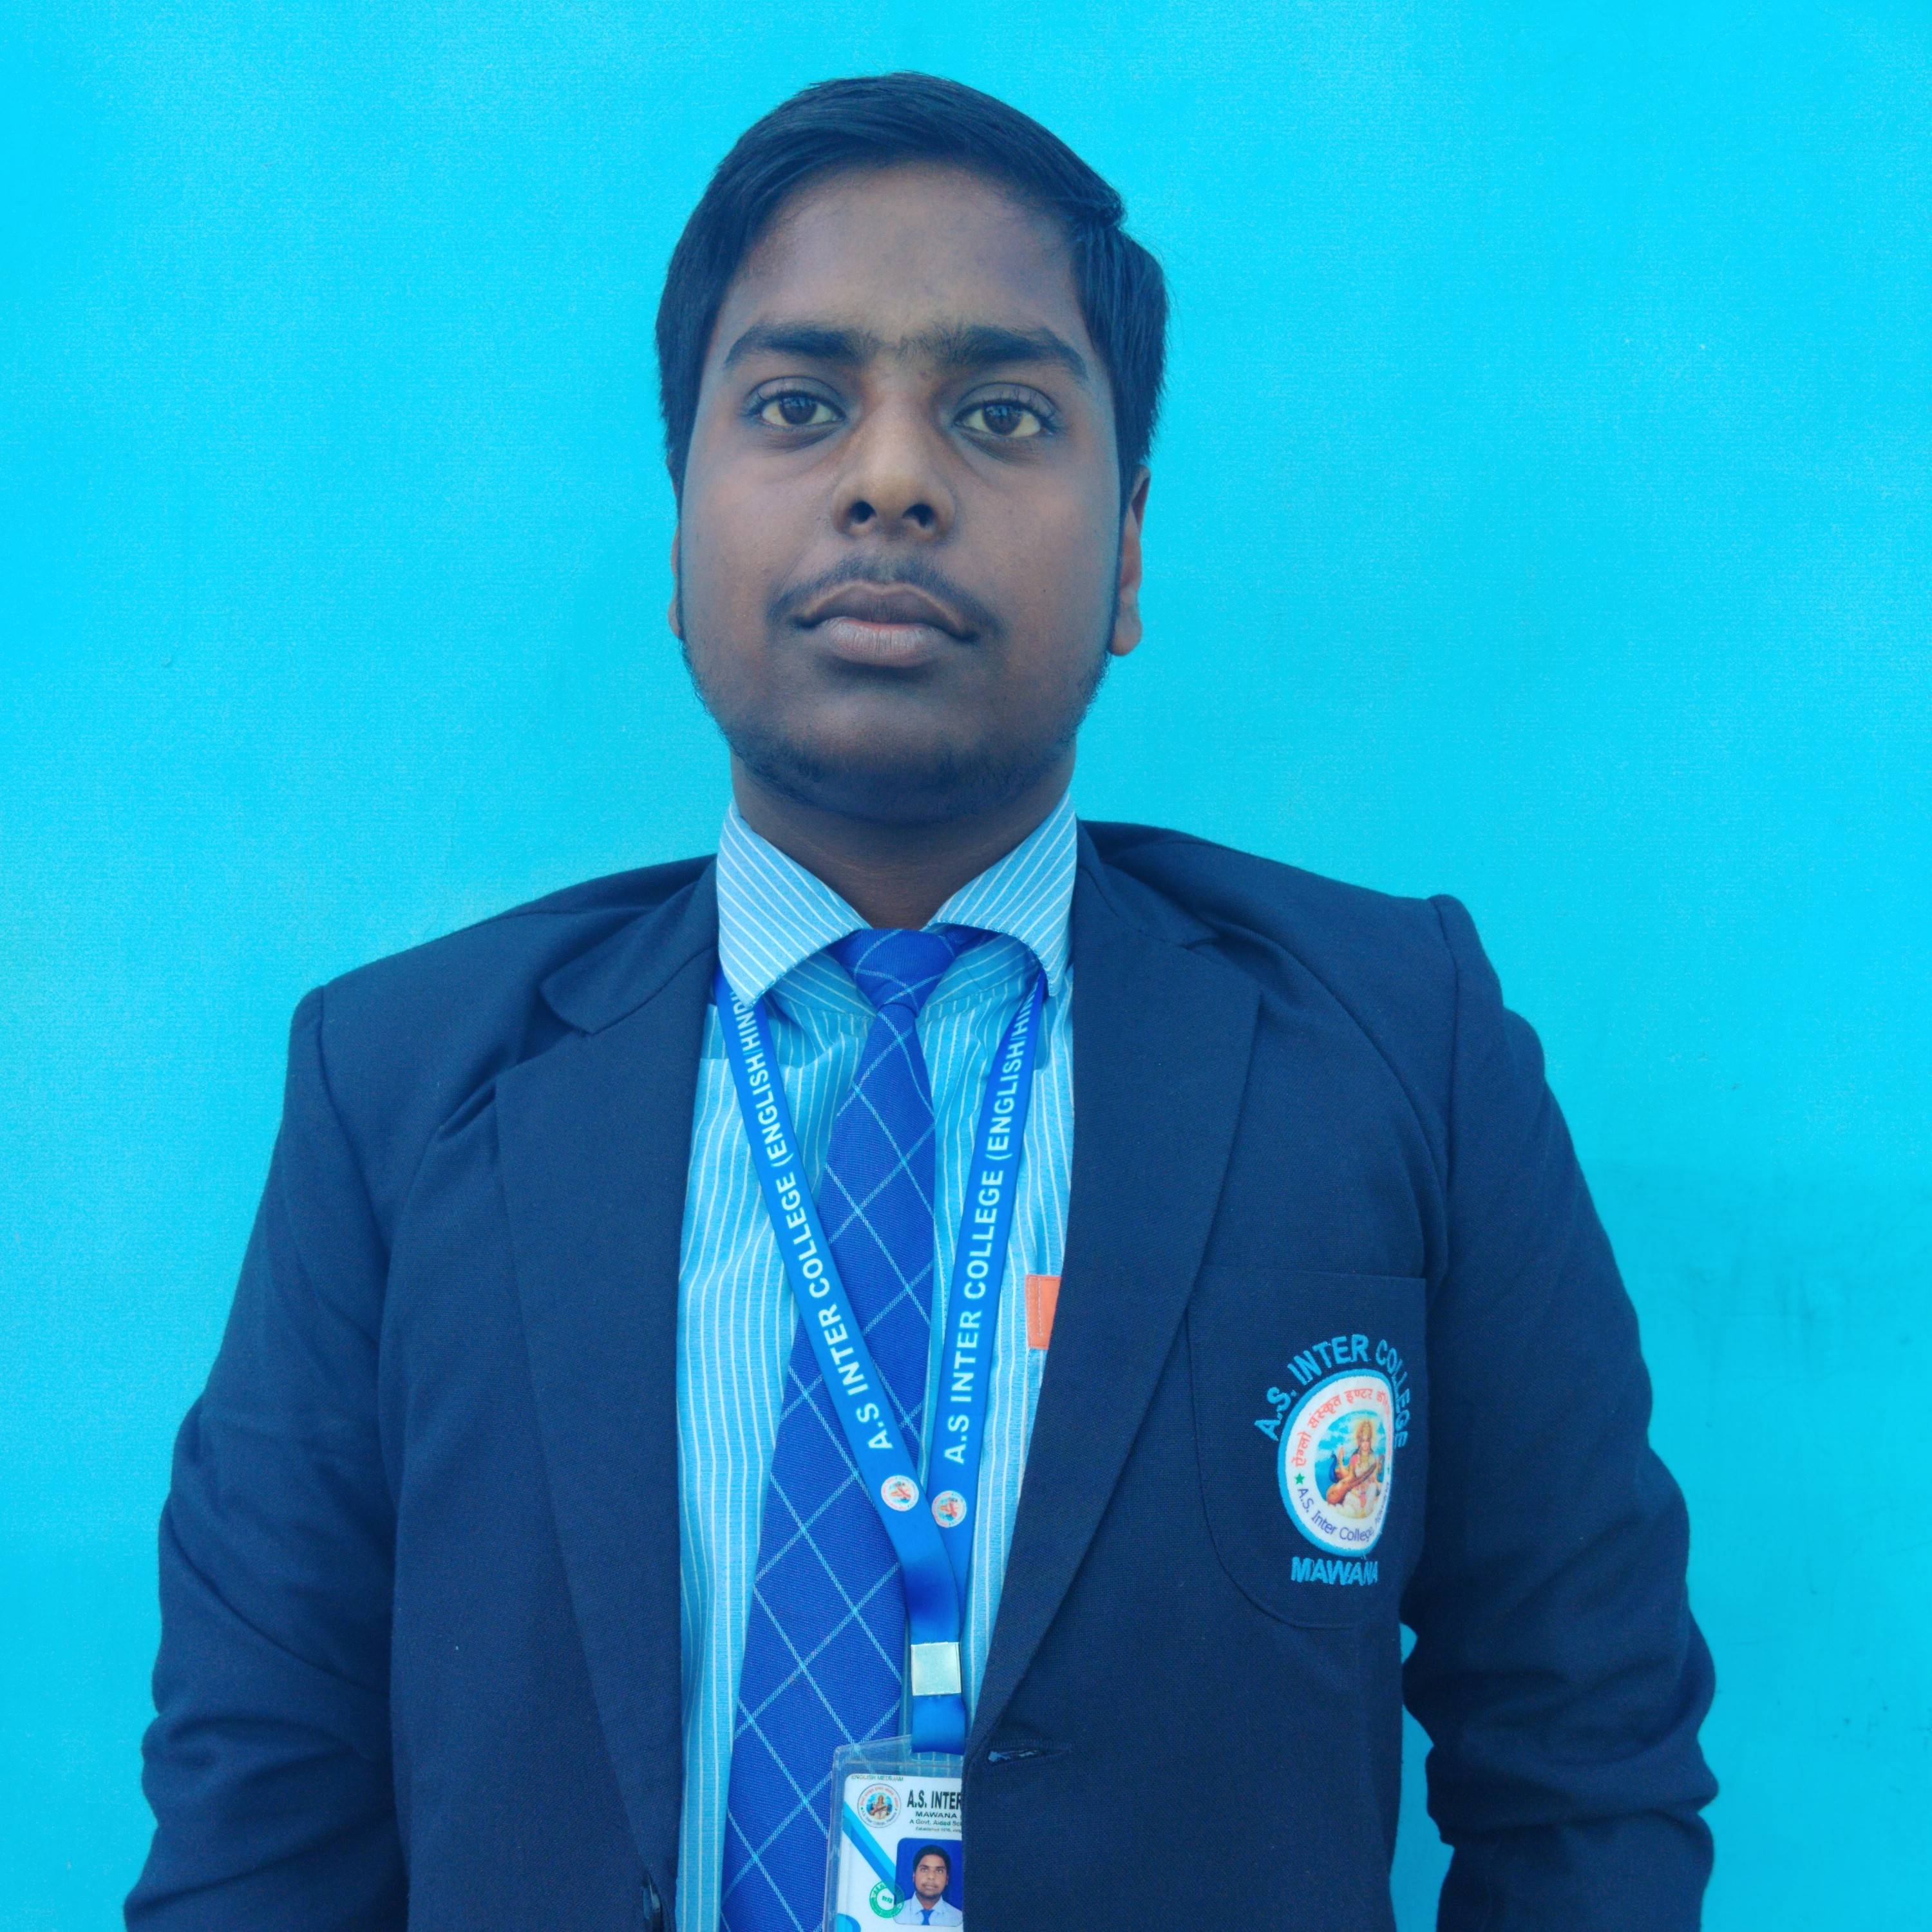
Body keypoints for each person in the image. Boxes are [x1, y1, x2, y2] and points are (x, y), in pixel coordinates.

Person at [127, 71, 1717, 1932]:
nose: (891, 478)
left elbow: (1586, 1759)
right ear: (680, 530)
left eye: (1001, 413)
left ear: (1127, 550)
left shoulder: (1397, 1050)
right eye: (798, 406)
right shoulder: (401, 1093)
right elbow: (260, 1811)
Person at [893, 1847, 963, 1926]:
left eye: (939, 1871)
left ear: (947, 1879)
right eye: (924, 1869)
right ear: (914, 1876)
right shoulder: (895, 1915)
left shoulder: (959, 1920)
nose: (931, 1877)